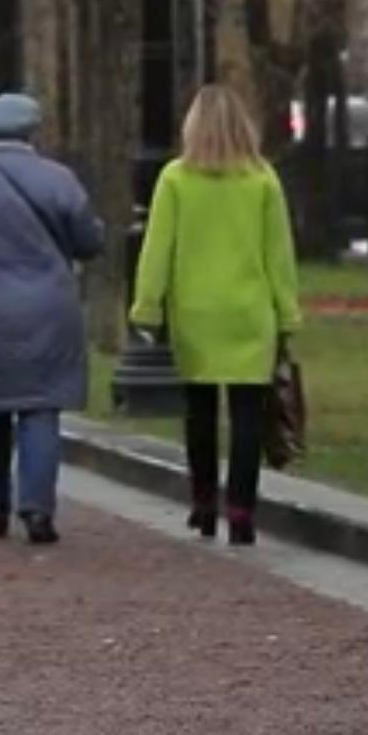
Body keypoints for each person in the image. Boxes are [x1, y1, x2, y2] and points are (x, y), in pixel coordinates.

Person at [130, 83, 301, 547]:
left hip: (196, 311)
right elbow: (278, 255)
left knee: (199, 410)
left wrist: (147, 306)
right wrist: (288, 315)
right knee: (248, 414)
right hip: (249, 310)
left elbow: (158, 249)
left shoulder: (175, 179)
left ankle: (204, 501)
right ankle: (242, 508)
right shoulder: (263, 179)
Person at [0, 93, 105, 545]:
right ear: (33, 131)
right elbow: (88, 241)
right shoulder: (59, 180)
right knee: (40, 407)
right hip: (49, 307)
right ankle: (38, 508)